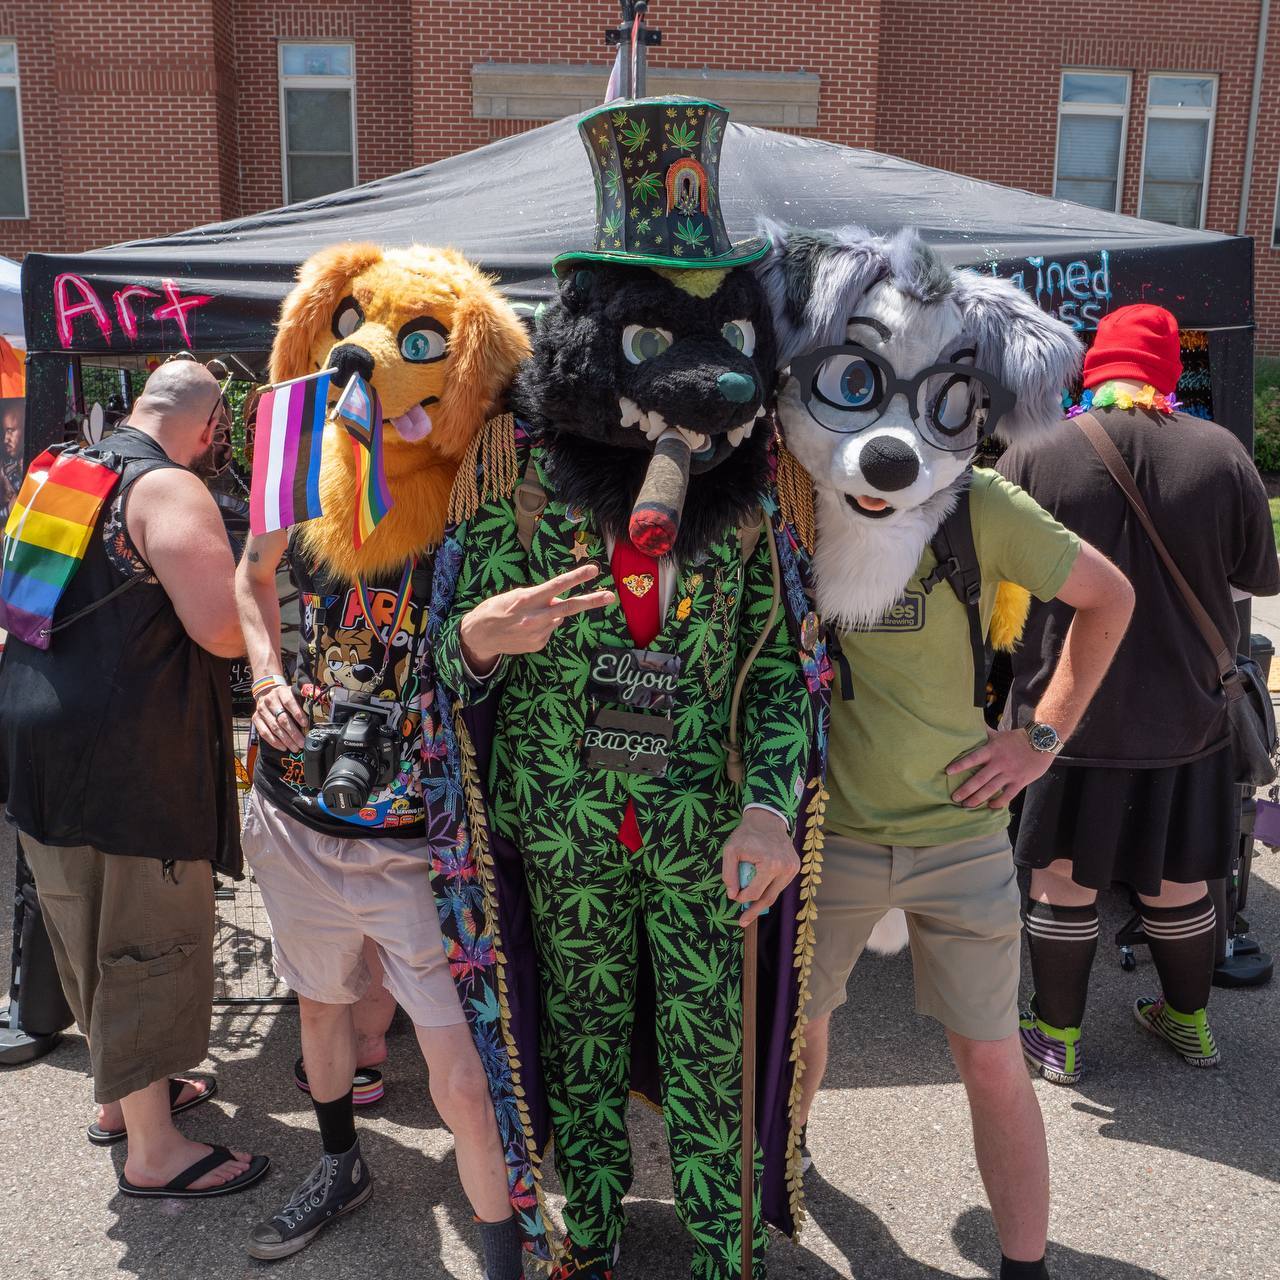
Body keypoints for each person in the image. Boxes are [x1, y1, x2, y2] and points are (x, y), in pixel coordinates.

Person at [762, 223, 1134, 1280]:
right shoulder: (792, 499)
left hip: (959, 836)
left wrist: (1039, 739)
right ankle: (786, 1170)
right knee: (799, 1038)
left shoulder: (977, 508)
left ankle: (1025, 1266)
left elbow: (1109, 598)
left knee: (991, 1058)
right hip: (825, 837)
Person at [235, 239, 536, 1273]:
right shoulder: (301, 445)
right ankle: (339, 1163)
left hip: (418, 835)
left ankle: (502, 1244)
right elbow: (250, 574)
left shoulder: (488, 489)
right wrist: (265, 677)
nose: (362, 353)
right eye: (353, 324)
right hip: (296, 807)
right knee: (319, 1005)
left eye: (410, 340)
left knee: (460, 1066)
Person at [0, 358, 268, 1198]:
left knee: (81, 925)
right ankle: (155, 1152)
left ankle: (125, 1099)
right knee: (146, 940)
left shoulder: (58, 470)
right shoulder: (168, 489)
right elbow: (222, 632)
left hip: (34, 738)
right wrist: (258, 573)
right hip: (128, 756)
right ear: (210, 425)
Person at [1000, 304, 1280, 1083]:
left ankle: (1057, 1039)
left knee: (1062, 879)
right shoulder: (1221, 454)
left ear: (1093, 369)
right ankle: (1188, 1023)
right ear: (1167, 371)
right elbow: (1257, 579)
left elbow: (993, 582)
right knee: (1180, 878)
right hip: (1186, 718)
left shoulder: (1035, 452)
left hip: (1063, 717)